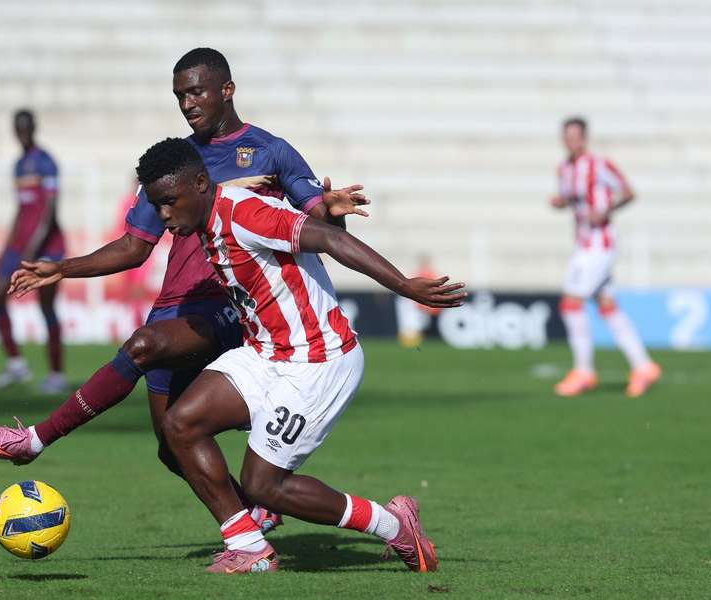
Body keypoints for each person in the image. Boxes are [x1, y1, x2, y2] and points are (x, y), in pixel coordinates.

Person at [0, 48, 368, 532]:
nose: (188, 102)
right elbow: (135, 247)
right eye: (180, 94)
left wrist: (333, 208)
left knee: (144, 346)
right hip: (176, 305)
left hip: (228, 306)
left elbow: (314, 222)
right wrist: (63, 267)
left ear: (227, 90)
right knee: (171, 443)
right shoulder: (174, 162)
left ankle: (35, 439)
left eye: (196, 91)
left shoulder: (270, 150)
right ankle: (253, 517)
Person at [134, 137, 466, 574]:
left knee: (262, 485)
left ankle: (394, 525)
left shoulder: (244, 213)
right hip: (266, 353)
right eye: (157, 205)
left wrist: (404, 285)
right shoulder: (204, 220)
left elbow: (327, 238)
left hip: (319, 359)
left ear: (200, 183)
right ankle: (249, 546)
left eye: (170, 202)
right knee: (179, 426)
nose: (164, 215)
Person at [551, 117, 661, 398]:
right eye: (567, 136)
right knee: (607, 306)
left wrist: (607, 209)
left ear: (584, 138)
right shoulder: (564, 168)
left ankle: (584, 371)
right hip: (583, 243)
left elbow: (629, 192)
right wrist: (560, 202)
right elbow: (568, 198)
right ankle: (644, 366)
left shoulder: (598, 164)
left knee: (571, 303)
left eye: (576, 136)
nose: (571, 141)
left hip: (601, 243)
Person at [0, 109, 66, 394]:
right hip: (20, 246)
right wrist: (7, 246)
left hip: (48, 247)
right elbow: (21, 211)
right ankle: (16, 365)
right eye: (17, 128)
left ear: (33, 127)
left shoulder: (46, 163)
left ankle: (56, 374)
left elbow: (49, 210)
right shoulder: (19, 165)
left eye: (26, 127)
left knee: (46, 306)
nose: (22, 132)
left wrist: (34, 247)